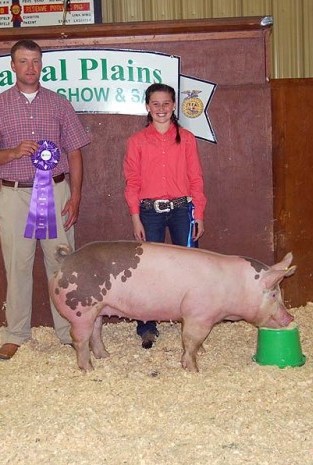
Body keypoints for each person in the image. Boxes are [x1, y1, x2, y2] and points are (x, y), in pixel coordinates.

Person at [0, 39, 91, 361]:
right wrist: (12, 152)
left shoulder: (58, 104)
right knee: (17, 264)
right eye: (24, 61)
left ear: (42, 65)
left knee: (62, 262)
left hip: (54, 190)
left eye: (36, 61)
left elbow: (75, 150)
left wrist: (76, 194)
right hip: (14, 194)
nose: (31, 68)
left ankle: (68, 330)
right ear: (12, 66)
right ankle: (15, 333)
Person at [123, 83, 207, 349]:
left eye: (166, 103)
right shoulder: (136, 142)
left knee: (191, 267)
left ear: (173, 106)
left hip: (183, 210)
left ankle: (194, 324)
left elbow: (196, 178)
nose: (161, 109)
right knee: (148, 269)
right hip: (150, 212)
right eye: (155, 104)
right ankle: (147, 325)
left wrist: (199, 214)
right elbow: (132, 182)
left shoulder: (187, 139)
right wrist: (136, 217)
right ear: (147, 107)